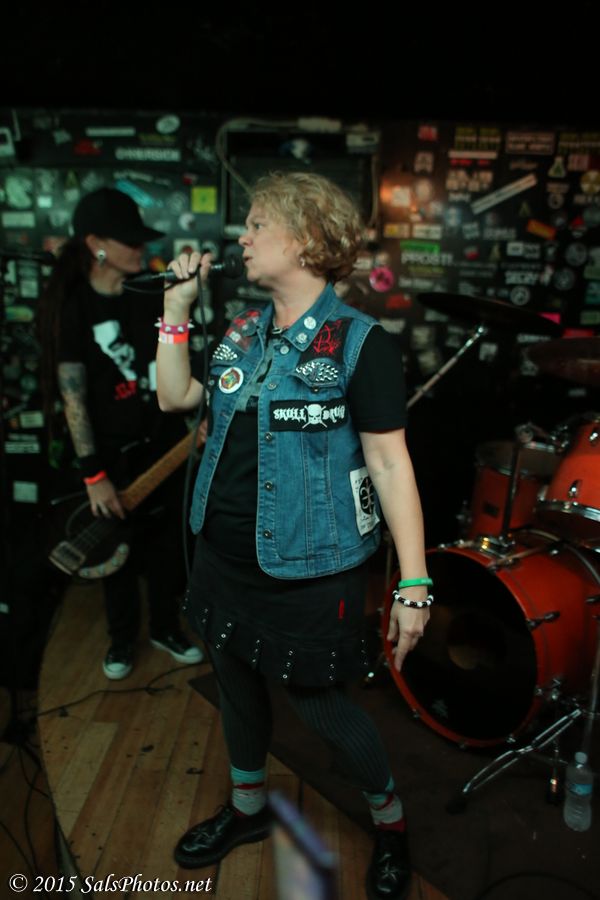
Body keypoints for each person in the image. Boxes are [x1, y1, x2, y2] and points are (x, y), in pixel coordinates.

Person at [156, 172, 430, 900]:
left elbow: (390, 465)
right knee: (236, 686)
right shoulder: (243, 331)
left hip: (311, 566)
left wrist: (413, 583)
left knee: (323, 708)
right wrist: (175, 312)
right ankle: (248, 809)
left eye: (255, 225)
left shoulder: (360, 344)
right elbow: (176, 396)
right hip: (221, 553)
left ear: (306, 239)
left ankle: (392, 824)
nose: (241, 238)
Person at [39, 187, 203, 680]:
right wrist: (94, 475)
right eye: (129, 240)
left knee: (168, 547)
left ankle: (165, 628)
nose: (141, 248)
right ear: (96, 244)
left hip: (165, 445)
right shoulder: (72, 305)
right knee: (117, 556)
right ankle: (121, 639)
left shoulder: (149, 292)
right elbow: (72, 396)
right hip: (111, 456)